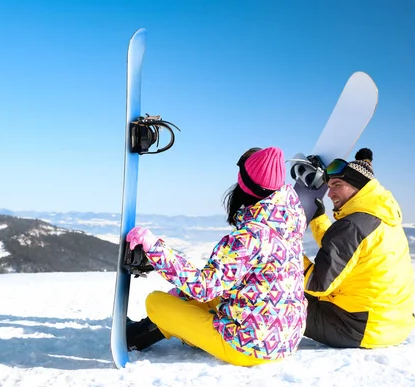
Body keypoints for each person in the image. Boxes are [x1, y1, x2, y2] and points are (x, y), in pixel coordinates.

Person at [125, 146, 307, 367]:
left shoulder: (252, 234)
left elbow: (204, 287)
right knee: (189, 297)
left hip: (249, 347)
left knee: (157, 302)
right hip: (284, 338)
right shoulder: (289, 219)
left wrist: (154, 248)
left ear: (243, 183)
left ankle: (138, 336)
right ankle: (148, 332)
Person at [303, 148, 415, 348]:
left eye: (337, 185)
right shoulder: (383, 218)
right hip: (394, 325)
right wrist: (318, 219)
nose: (330, 193)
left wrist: (283, 253)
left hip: (355, 327)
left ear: (359, 187)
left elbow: (317, 284)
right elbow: (342, 251)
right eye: (329, 186)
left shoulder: (352, 226)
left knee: (276, 295)